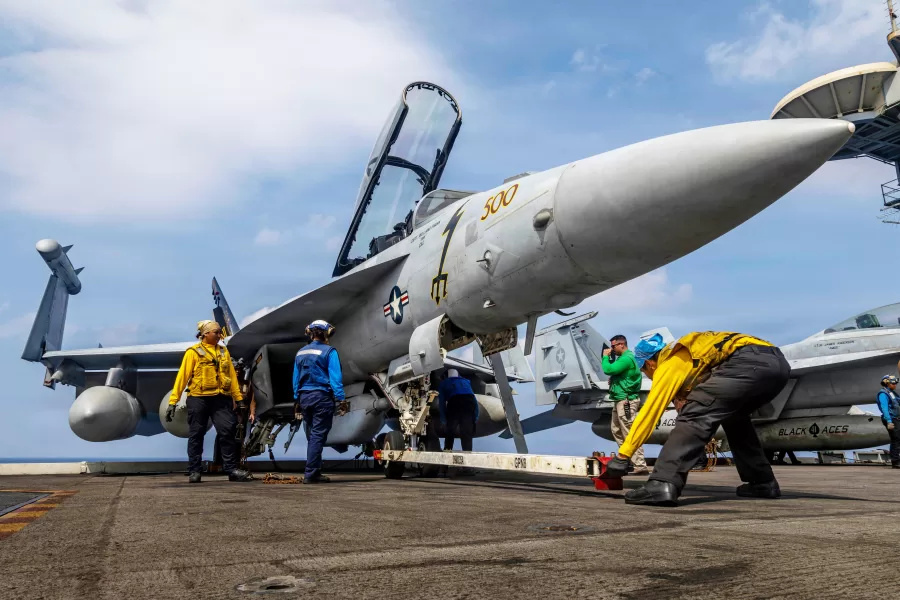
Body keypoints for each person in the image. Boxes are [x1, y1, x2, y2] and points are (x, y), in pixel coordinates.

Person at [606, 331, 791, 506]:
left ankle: (663, 483)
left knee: (695, 414)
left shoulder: (670, 361)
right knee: (735, 419)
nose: (647, 375)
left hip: (747, 363)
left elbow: (650, 412)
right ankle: (762, 482)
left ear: (650, 363)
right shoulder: (689, 353)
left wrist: (623, 455)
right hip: (778, 365)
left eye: (644, 370)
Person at [167, 320, 251, 483]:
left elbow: (232, 377)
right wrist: (173, 401)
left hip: (221, 399)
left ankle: (231, 469)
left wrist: (239, 398)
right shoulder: (193, 352)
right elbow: (182, 377)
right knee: (196, 434)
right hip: (199, 398)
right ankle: (194, 471)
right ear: (205, 334)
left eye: (220, 332)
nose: (220, 335)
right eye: (217, 332)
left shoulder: (223, 352)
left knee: (228, 431)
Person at [293, 320, 344, 484]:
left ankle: (314, 470)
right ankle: (312, 473)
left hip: (304, 398)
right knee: (318, 435)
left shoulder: (300, 353)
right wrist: (341, 398)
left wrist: (297, 399)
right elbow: (335, 379)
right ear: (327, 333)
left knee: (313, 435)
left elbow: (295, 379)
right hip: (322, 396)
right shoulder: (330, 352)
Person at [602, 335, 649, 475]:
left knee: (629, 432)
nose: (612, 349)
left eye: (614, 346)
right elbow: (616, 373)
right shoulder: (624, 359)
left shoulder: (627, 358)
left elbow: (608, 370)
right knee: (616, 430)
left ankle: (640, 465)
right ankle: (626, 460)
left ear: (622, 344)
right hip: (620, 400)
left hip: (626, 401)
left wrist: (605, 358)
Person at [438, 369, 480, 452]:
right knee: (466, 432)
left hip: (455, 403)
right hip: (469, 404)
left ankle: (447, 451)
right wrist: (475, 416)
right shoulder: (466, 382)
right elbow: (474, 400)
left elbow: (442, 404)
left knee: (450, 430)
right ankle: (467, 454)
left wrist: (443, 420)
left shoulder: (443, 383)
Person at [876, 374, 900, 469]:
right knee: (896, 440)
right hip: (891, 419)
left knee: (898, 439)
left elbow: (897, 401)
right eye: (893, 383)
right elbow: (884, 408)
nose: (895, 385)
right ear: (887, 383)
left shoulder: (891, 393)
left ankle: (896, 459)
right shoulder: (883, 394)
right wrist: (889, 421)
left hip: (896, 418)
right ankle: (895, 462)